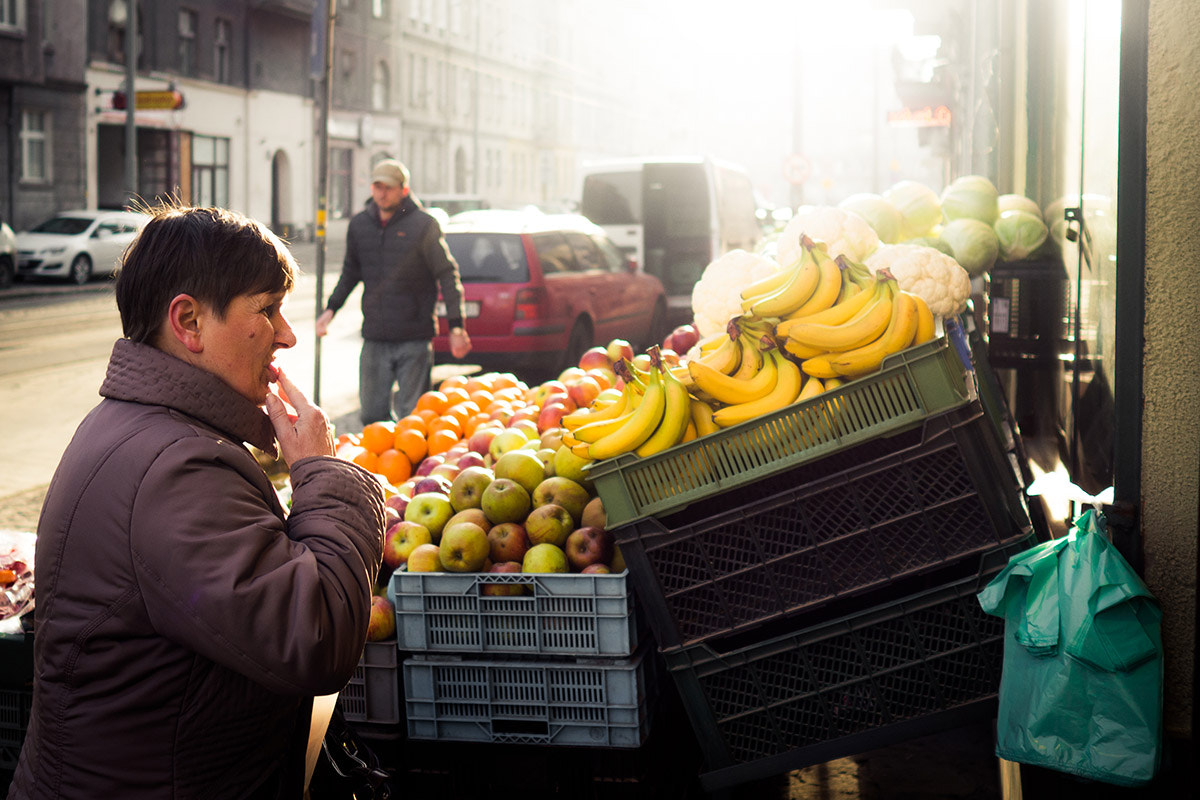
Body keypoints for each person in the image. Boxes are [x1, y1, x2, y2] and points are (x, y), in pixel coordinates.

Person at [6, 205, 386, 799]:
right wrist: (322, 471)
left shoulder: (145, 428)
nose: (286, 334)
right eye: (267, 310)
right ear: (189, 322)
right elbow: (315, 635)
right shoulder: (179, 468)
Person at [316, 158, 472, 424]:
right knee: (372, 416)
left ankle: (413, 467)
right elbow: (351, 272)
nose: (382, 193)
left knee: (413, 420)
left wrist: (457, 326)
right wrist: (330, 310)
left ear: (404, 190)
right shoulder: (360, 225)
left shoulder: (424, 225)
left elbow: (447, 273)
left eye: (388, 187)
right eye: (378, 186)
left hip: (414, 338)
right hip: (375, 336)